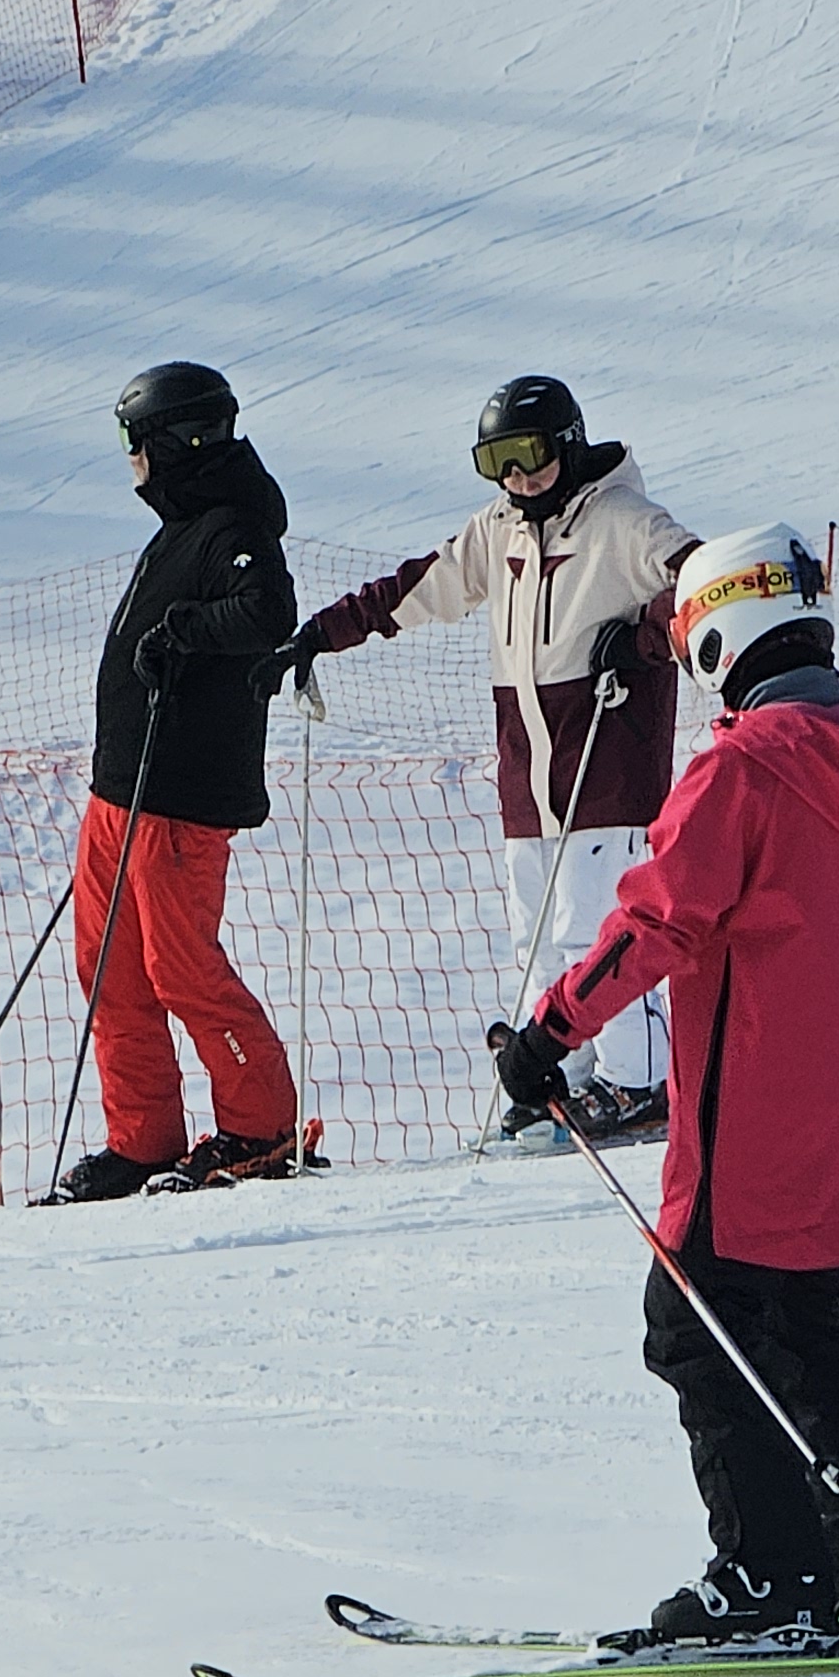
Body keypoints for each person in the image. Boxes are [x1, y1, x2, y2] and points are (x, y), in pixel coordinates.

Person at [487, 524, 839, 1646]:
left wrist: (549, 1032)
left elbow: (657, 917)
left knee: (695, 1325)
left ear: (713, 637)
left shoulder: (739, 769)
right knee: (805, 1331)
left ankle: (771, 1575)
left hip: (751, 1112)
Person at [253, 373, 696, 1140]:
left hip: (608, 769)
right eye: (495, 461)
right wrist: (318, 635)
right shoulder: (502, 530)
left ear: (567, 442)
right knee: (540, 938)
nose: (517, 477)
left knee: (603, 933)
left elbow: (705, 588)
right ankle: (572, 1065)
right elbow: (418, 589)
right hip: (529, 778)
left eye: (527, 455)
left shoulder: (625, 521)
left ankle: (641, 1082)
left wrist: (645, 636)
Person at [43, 361, 303, 1200]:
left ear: (172, 443)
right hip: (121, 794)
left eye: (135, 443)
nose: (130, 460)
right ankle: (143, 1139)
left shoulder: (234, 524)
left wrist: (184, 629)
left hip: (180, 800)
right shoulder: (185, 522)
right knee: (108, 969)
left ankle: (260, 1129)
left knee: (179, 967)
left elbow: (267, 612)